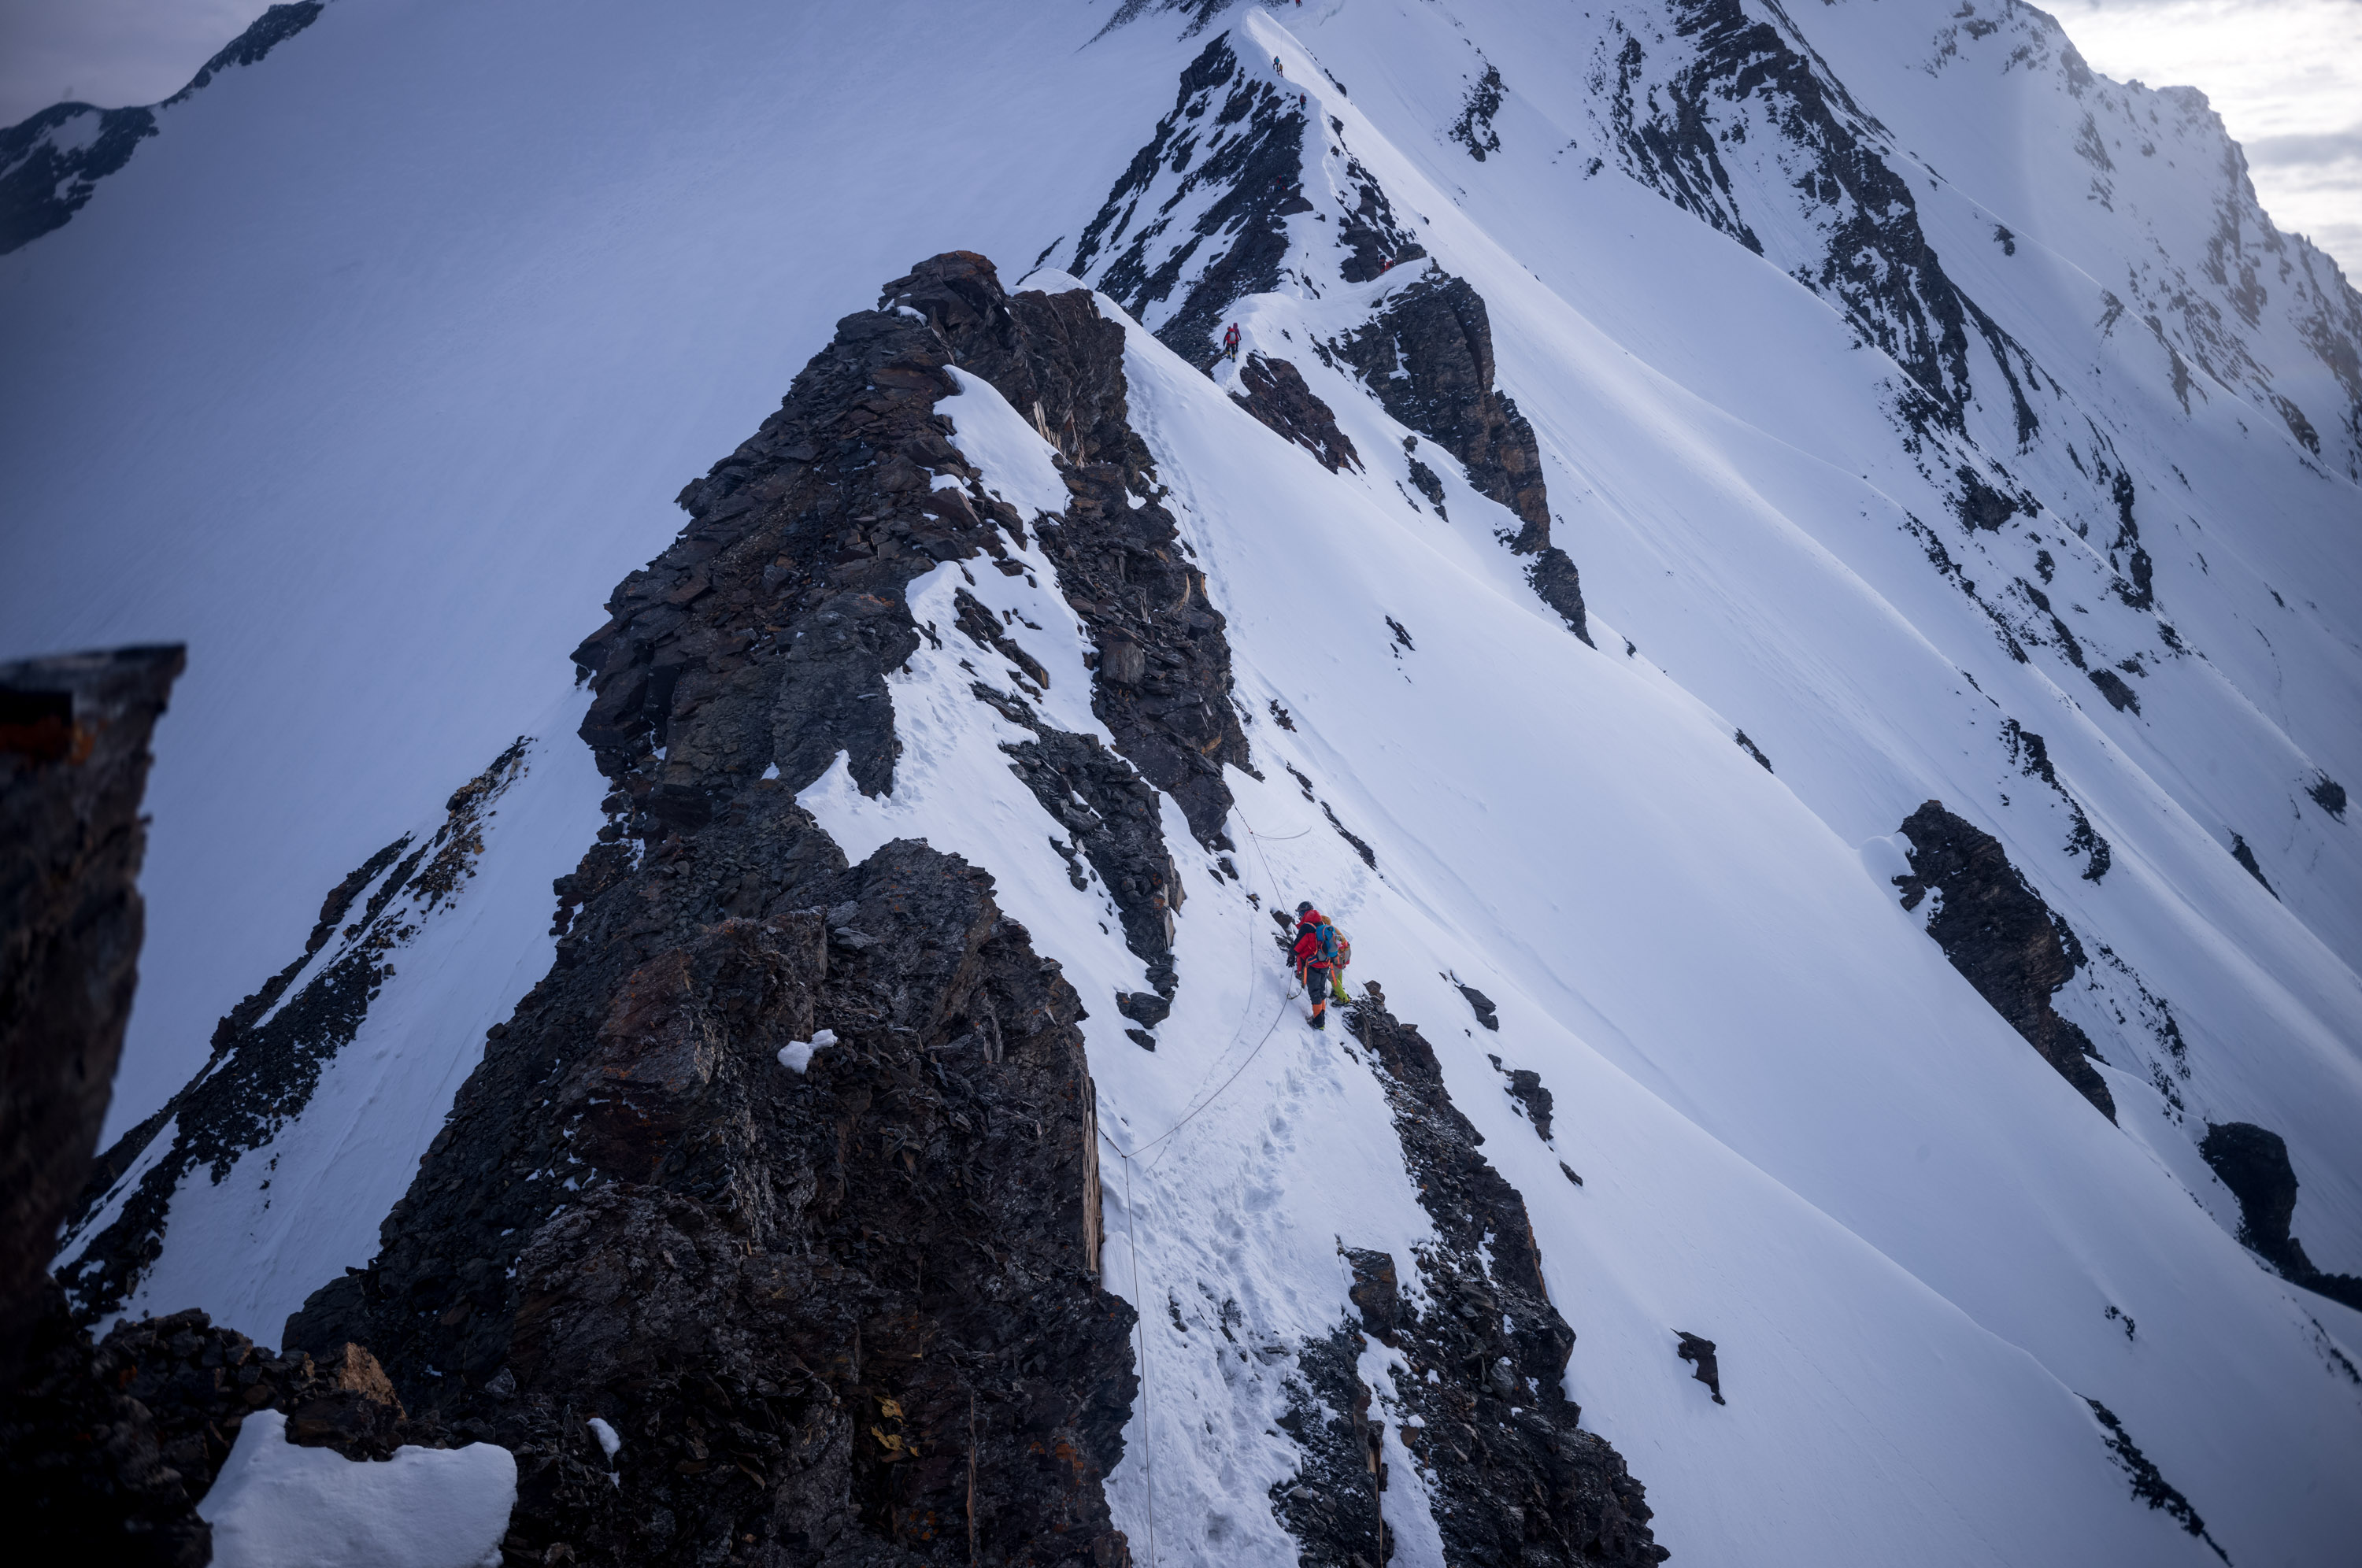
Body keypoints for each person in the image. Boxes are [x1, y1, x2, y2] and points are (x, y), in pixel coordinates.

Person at [1291, 900, 1348, 1028]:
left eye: (1301, 913)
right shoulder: (1322, 925)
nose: (1300, 916)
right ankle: (1321, 1017)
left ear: (1305, 912)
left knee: (1315, 992)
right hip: (1326, 963)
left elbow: (1299, 945)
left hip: (1314, 964)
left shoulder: (1307, 927)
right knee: (1321, 991)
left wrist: (1291, 954)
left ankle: (1318, 1022)